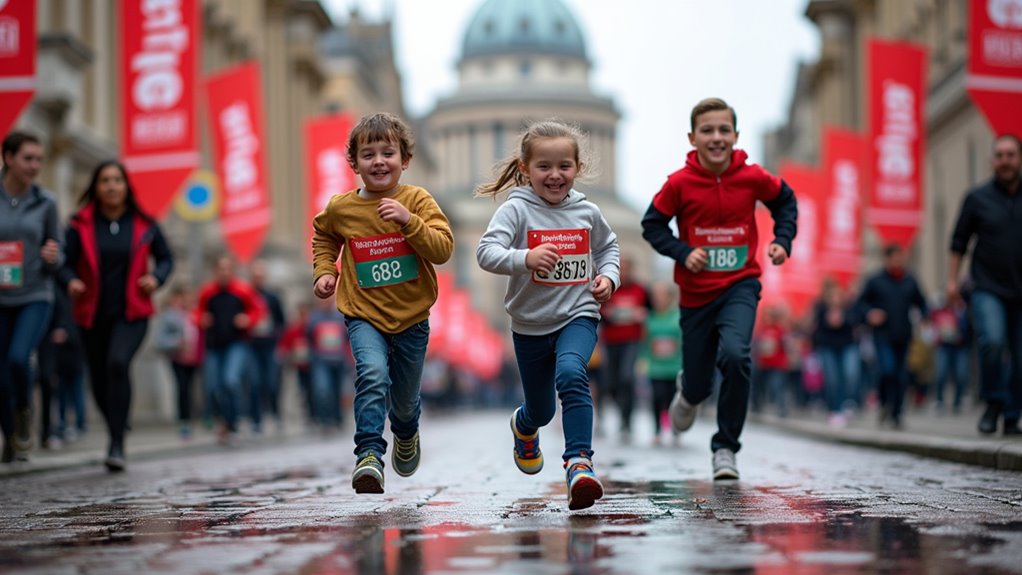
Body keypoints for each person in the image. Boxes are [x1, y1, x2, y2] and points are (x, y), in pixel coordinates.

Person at [641, 97, 797, 480]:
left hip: (740, 284)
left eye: (724, 130)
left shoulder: (753, 176)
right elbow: (652, 225)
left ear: (735, 135)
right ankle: (690, 393)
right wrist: (683, 251)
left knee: (736, 356)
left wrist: (783, 240)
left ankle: (725, 447)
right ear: (693, 138)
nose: (716, 137)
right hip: (696, 295)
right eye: (707, 130)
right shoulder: (678, 184)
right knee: (698, 383)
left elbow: (785, 202)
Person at [476, 119, 620, 510]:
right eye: (544, 167)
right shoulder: (516, 210)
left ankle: (579, 462)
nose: (555, 175)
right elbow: (486, 253)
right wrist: (525, 258)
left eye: (564, 166)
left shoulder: (587, 212)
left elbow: (609, 249)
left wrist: (608, 278)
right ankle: (524, 426)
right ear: (525, 168)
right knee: (541, 409)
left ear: (577, 167)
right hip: (530, 324)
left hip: (579, 314)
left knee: (573, 374)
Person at [312, 112, 453, 494]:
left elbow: (442, 249)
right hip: (363, 314)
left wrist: (409, 222)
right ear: (354, 163)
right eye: (368, 154)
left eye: (387, 153)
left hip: (411, 317)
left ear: (404, 160)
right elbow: (324, 236)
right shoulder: (342, 207)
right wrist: (325, 270)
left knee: (405, 403)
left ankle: (406, 431)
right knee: (372, 374)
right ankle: (369, 454)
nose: (378, 161)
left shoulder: (417, 200)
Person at [59, 160, 174, 471]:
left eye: (117, 180)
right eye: (105, 180)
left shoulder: (144, 224)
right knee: (97, 378)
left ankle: (116, 443)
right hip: (91, 312)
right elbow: (63, 262)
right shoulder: (79, 224)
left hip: (132, 312)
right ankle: (117, 424)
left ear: (126, 187)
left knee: (117, 363)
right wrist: (70, 280)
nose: (111, 186)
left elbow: (166, 258)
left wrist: (157, 279)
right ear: (95, 187)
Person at [949, 134, 1022, 436]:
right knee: (992, 341)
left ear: (1019, 159)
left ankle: (1012, 414)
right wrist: (952, 281)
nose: (1005, 160)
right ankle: (993, 403)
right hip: (987, 287)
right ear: (992, 161)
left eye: (1011, 154)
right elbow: (958, 243)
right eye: (1000, 155)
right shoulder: (977, 198)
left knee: (1021, 355)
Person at [0, 131, 61, 463]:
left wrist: (54, 255)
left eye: (39, 159)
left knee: (17, 359)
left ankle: (24, 413)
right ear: (8, 158)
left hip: (34, 294)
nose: (35, 165)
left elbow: (58, 249)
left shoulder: (46, 202)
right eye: (28, 158)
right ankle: (9, 435)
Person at [857, 243, 928, 430]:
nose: (899, 261)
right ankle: (883, 402)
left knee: (900, 375)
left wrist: (926, 317)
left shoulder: (910, 280)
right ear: (887, 259)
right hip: (882, 335)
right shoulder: (875, 281)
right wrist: (870, 314)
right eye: (895, 257)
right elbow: (860, 304)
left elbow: (921, 302)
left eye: (901, 257)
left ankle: (896, 413)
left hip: (903, 335)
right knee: (886, 370)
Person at [195, 256, 264, 445]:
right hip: (214, 345)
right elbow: (197, 311)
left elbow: (258, 309)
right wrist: (201, 319)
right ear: (215, 272)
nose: (224, 273)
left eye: (227, 269)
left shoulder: (242, 290)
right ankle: (222, 421)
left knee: (230, 380)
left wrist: (247, 319)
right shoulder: (207, 291)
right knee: (212, 387)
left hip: (237, 344)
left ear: (232, 271)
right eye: (220, 269)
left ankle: (233, 423)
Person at [597, 255, 650, 442]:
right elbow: (598, 312)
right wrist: (609, 315)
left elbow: (651, 311)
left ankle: (627, 421)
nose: (623, 273)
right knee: (611, 383)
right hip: (611, 342)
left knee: (627, 377)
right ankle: (621, 414)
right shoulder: (608, 287)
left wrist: (642, 315)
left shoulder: (641, 290)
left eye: (627, 269)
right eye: (620, 269)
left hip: (632, 340)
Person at [153, 286, 203, 438]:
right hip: (178, 357)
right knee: (182, 388)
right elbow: (160, 340)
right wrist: (176, 342)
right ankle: (184, 420)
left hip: (195, 358)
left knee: (193, 388)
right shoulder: (170, 316)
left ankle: (196, 417)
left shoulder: (195, 314)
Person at [812, 280, 861, 426]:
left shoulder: (849, 309)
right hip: (828, 347)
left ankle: (847, 401)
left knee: (850, 374)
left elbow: (857, 322)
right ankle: (834, 409)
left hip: (847, 345)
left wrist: (843, 320)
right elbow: (816, 330)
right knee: (832, 379)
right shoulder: (821, 309)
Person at [247, 260, 286, 434]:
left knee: (272, 382)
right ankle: (256, 419)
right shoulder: (246, 296)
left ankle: (275, 415)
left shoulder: (272, 297)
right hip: (252, 346)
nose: (258, 279)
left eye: (261, 276)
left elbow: (282, 322)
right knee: (255, 382)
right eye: (255, 276)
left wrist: (279, 341)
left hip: (270, 345)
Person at [643, 281, 682, 444]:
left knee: (673, 399)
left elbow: (683, 341)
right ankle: (657, 429)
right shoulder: (649, 317)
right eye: (656, 296)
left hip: (674, 367)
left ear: (670, 298)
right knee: (657, 398)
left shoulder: (678, 317)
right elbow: (644, 342)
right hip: (655, 367)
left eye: (662, 296)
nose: (659, 299)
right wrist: (642, 360)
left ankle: (675, 429)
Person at [307, 295, 350, 430]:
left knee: (337, 390)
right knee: (322, 389)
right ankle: (325, 419)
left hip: (339, 360)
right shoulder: (314, 318)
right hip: (321, 361)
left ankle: (337, 418)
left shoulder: (340, 316)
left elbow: (347, 337)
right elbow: (308, 337)